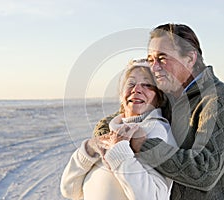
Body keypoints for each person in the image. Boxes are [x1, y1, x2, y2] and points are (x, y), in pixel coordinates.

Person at [93, 23, 224, 199]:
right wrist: (109, 136)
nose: (154, 68)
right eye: (151, 60)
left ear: (190, 58)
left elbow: (205, 171)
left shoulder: (220, 100)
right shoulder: (167, 95)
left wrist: (143, 145)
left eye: (162, 58)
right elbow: (123, 116)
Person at [60, 59, 177, 200]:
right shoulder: (110, 132)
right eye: (131, 84)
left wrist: (120, 153)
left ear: (159, 98)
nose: (137, 89)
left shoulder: (156, 131)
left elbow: (154, 197)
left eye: (147, 85)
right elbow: (69, 190)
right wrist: (89, 149)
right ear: (122, 96)